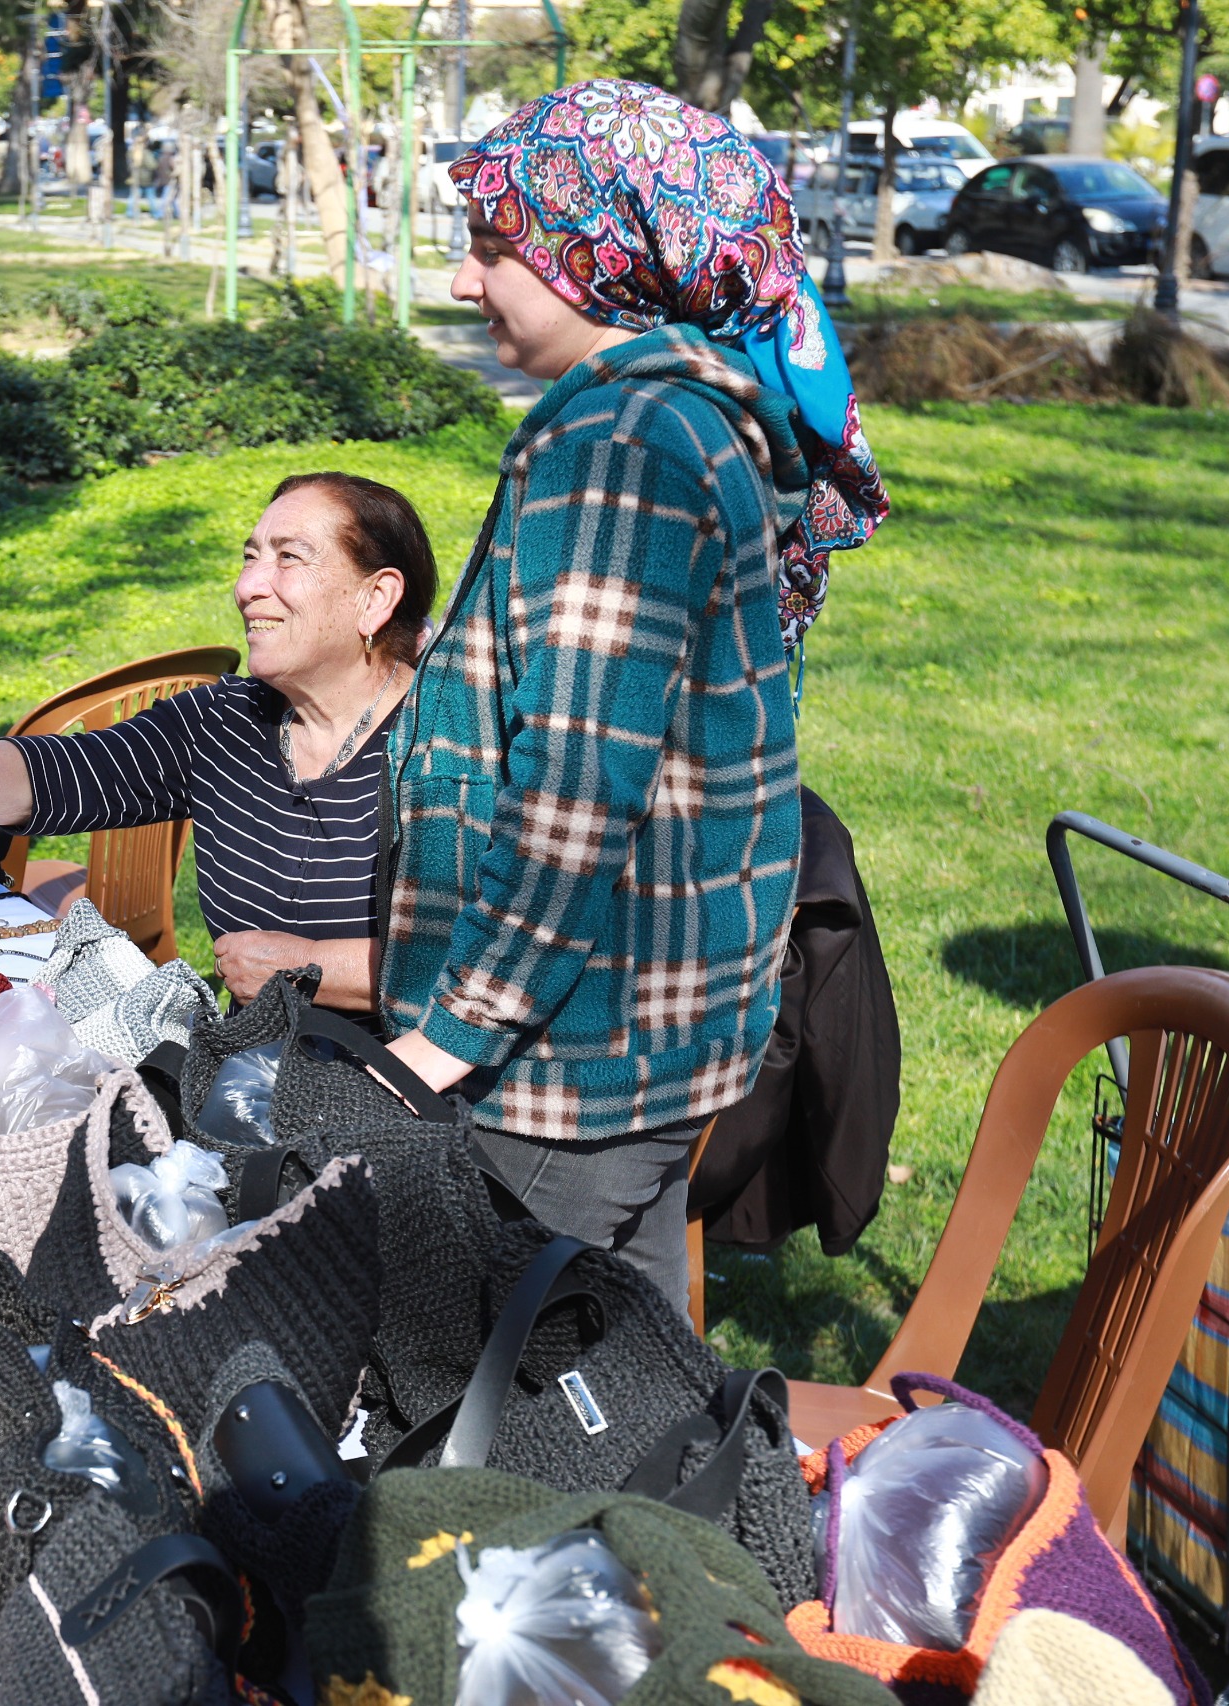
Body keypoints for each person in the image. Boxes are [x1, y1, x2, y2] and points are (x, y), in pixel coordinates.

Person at [376, 80, 891, 1313]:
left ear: (598, 266)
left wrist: (450, 1035)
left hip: (563, 1069)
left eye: (493, 249)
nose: (463, 281)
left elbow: (577, 789)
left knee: (481, 1420)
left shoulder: (622, 450)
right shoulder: (675, 421)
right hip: (640, 1048)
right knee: (630, 1388)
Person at [0, 473, 433, 1013]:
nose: (248, 588)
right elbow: (58, 775)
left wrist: (312, 965)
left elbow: (493, 963)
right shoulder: (228, 719)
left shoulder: (451, 752)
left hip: (410, 1082)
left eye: (289, 558)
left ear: (376, 597)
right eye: (250, 557)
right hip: (250, 1078)